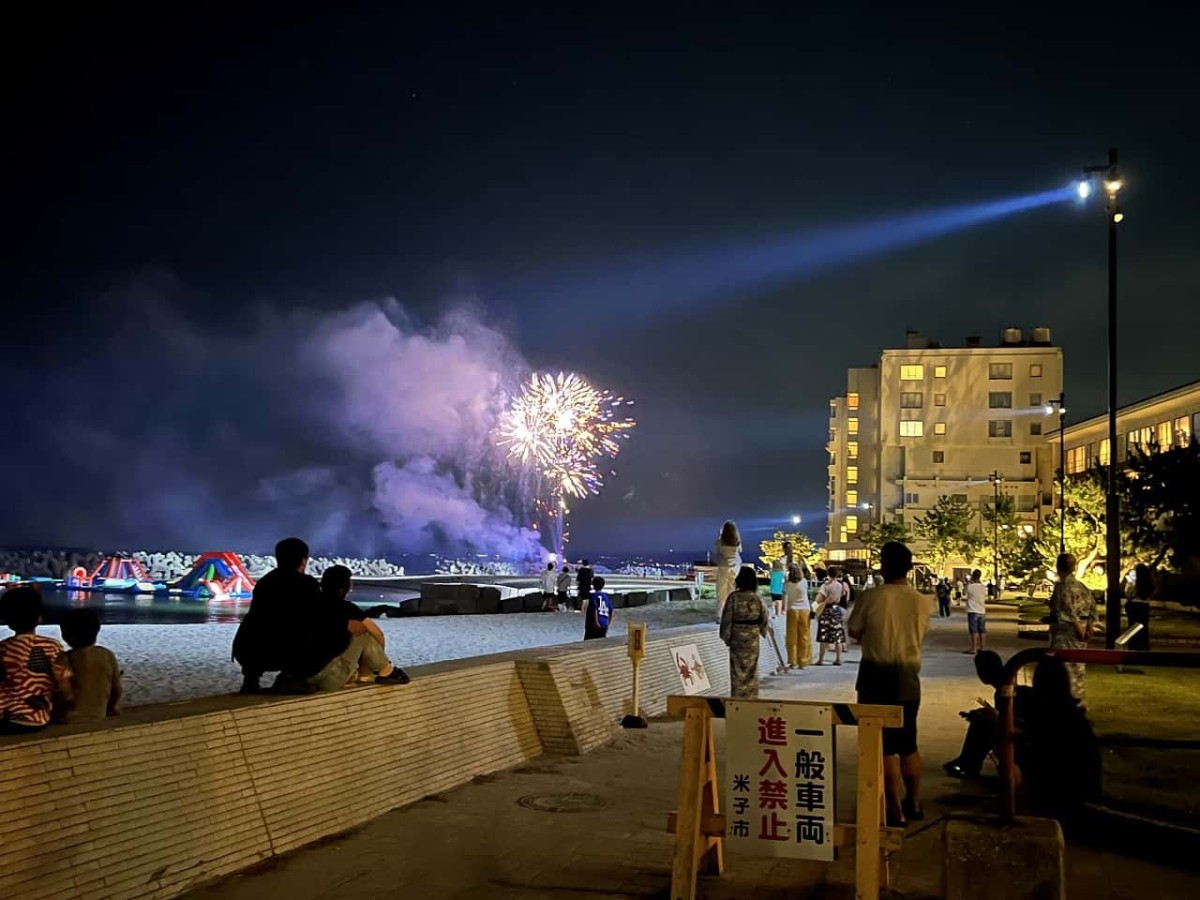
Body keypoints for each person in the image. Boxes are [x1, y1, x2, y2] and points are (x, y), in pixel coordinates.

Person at [846, 541, 935, 826]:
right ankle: (914, 800)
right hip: (908, 678)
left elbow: (855, 631)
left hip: (874, 677)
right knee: (909, 743)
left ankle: (894, 807)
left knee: (884, 747)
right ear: (909, 568)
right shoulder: (923, 601)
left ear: (882, 566)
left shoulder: (870, 598)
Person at [232, 537, 325, 693]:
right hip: (283, 650)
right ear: (303, 561)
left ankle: (251, 680)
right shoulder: (307, 583)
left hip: (248, 650)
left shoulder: (264, 582)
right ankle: (291, 677)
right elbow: (316, 617)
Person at [1019, 657, 1101, 829]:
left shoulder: (1048, 715)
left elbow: (1041, 754)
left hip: (1061, 792)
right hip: (1081, 788)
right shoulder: (1073, 715)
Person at [308, 566, 409, 690]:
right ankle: (382, 671)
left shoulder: (310, 605)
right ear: (344, 588)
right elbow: (378, 634)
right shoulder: (347, 608)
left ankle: (365, 672)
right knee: (363, 633)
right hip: (329, 679)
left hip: (305, 678)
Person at [943, 650, 1033, 779]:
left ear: (981, 674)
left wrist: (992, 716)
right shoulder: (1007, 687)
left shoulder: (1006, 691)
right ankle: (967, 762)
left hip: (1026, 735)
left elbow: (1010, 721)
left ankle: (968, 764)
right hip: (1025, 729)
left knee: (984, 723)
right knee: (982, 718)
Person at [0, 587, 73, 734]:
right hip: (39, 719)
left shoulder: (3, 648)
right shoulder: (53, 647)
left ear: (7, 620)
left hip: (6, 719)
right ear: (39, 618)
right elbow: (62, 683)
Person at [1047, 552, 1097, 708]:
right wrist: (1088, 628)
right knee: (1078, 671)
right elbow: (1093, 610)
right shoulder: (1083, 587)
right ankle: (1079, 705)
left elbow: (1068, 611)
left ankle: (1064, 707)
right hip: (1080, 636)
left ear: (1058, 567)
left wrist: (1080, 629)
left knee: (1062, 672)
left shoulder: (1062, 587)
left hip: (1066, 634)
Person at [60, 608, 122, 724]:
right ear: (97, 630)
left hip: (68, 719)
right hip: (99, 715)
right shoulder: (107, 655)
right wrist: (111, 708)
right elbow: (117, 690)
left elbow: (63, 690)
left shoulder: (65, 658)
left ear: (65, 635)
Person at [719, 565, 770, 698]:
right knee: (752, 667)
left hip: (737, 635)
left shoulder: (734, 597)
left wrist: (726, 637)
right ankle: (751, 695)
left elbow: (727, 618)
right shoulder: (757, 598)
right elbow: (764, 617)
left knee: (737, 668)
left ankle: (737, 695)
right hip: (752, 637)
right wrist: (761, 630)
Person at [712, 521, 742, 622]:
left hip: (724, 566)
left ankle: (720, 616)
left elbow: (716, 552)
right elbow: (740, 551)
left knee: (721, 593)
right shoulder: (737, 541)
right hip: (736, 567)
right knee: (732, 592)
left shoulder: (720, 542)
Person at [815, 568, 846, 665]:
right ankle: (838, 659)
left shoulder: (825, 586)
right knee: (838, 635)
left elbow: (819, 599)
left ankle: (821, 659)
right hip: (837, 610)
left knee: (823, 635)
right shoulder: (840, 585)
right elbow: (843, 595)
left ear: (828, 573)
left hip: (826, 610)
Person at [784, 564, 812, 669]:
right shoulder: (804, 582)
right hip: (805, 610)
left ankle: (793, 661)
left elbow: (785, 596)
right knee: (804, 636)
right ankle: (803, 661)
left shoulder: (787, 585)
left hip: (792, 610)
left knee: (792, 637)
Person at [1125, 563, 1152, 651]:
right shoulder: (1149, 583)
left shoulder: (1134, 583)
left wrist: (1129, 583)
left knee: (1132, 627)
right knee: (1144, 627)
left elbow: (1128, 594)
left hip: (1134, 606)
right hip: (1144, 606)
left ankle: (1133, 646)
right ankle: (1144, 646)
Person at [964, 569, 988, 654]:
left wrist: (969, 581)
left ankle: (974, 648)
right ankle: (983, 647)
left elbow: (964, 593)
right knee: (982, 630)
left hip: (972, 610)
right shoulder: (983, 587)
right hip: (982, 610)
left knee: (973, 630)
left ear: (973, 576)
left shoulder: (970, 586)